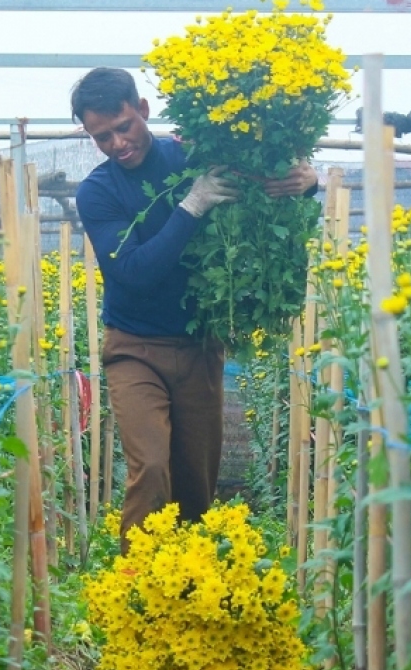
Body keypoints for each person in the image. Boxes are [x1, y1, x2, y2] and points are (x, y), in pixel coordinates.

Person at [71, 67, 317, 551]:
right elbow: (134, 272)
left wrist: (305, 183)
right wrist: (191, 206)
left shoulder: (191, 157)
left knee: (196, 480)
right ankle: (136, 584)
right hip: (134, 350)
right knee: (151, 465)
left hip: (201, 345)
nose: (118, 143)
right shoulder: (97, 192)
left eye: (124, 127)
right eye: (103, 137)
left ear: (142, 110)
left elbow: (257, 188)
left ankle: (188, 584)